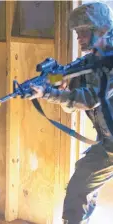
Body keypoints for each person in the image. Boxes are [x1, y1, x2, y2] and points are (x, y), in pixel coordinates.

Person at [26, 2, 113, 224]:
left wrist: (48, 93)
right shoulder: (92, 58)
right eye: (77, 33)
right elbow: (69, 83)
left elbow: (92, 98)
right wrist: (51, 82)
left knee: (78, 188)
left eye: (83, 32)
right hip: (107, 140)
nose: (78, 38)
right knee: (83, 174)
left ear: (101, 30)